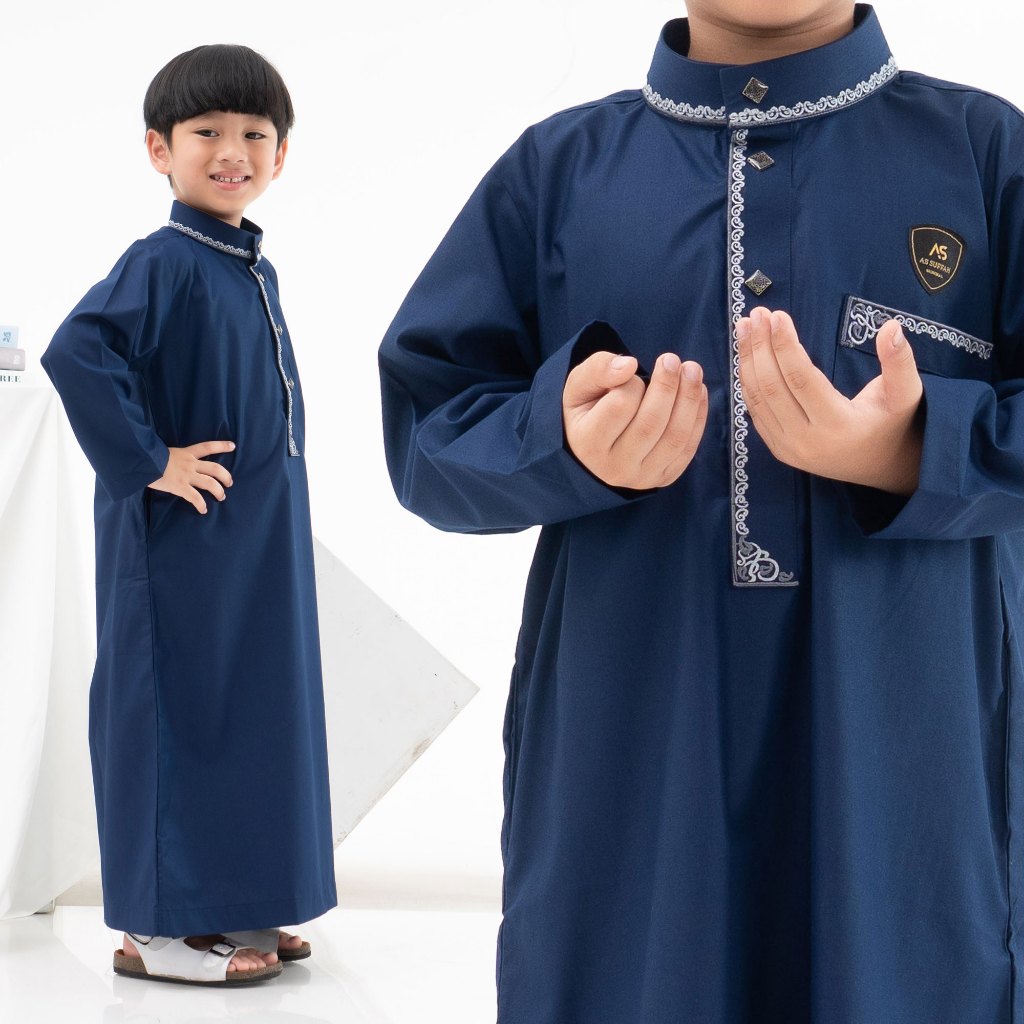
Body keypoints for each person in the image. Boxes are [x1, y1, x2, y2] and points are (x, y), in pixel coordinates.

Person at [379, 2, 1024, 1020]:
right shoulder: (559, 172)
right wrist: (563, 442)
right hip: (632, 743)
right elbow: (429, 422)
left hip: (907, 744)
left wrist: (911, 448)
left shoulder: (983, 153)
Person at [41, 45, 336, 986]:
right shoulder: (163, 261)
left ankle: (239, 903)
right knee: (174, 715)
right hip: (180, 551)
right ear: (159, 150)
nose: (233, 150)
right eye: (207, 131)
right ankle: (157, 931)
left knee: (247, 716)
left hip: (251, 547)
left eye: (255, 133)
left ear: (282, 154)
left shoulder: (250, 268)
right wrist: (151, 461)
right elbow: (77, 351)